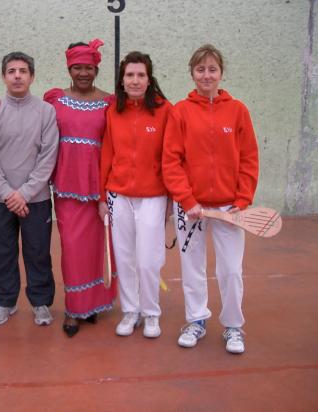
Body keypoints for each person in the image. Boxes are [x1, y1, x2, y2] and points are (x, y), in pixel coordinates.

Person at [162, 44, 259, 354]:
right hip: (190, 208)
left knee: (231, 269)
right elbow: (171, 161)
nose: (206, 75)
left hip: (230, 208)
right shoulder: (181, 111)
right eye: (200, 69)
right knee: (192, 268)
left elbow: (249, 158)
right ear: (192, 73)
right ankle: (196, 320)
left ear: (221, 73)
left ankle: (233, 326)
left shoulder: (238, 110)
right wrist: (187, 200)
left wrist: (242, 200)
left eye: (212, 69)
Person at [0, 51, 59, 326]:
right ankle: (5, 302)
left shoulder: (46, 112)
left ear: (32, 76)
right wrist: (7, 194)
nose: (17, 76)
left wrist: (23, 193)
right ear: (3, 76)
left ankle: (40, 303)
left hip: (34, 200)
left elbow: (48, 157)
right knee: (1, 254)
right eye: (11, 71)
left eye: (23, 71)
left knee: (38, 253)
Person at [43, 39, 117, 337]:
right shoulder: (55, 99)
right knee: (72, 249)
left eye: (88, 67)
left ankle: (93, 305)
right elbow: (31, 115)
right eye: (77, 67)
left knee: (97, 249)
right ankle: (74, 309)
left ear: (96, 68)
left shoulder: (110, 102)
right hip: (66, 187)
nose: (83, 72)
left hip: (98, 188)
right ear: (69, 69)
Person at [99, 51, 172, 339]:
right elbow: (107, 155)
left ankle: (151, 312)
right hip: (118, 196)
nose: (135, 80)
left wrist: (171, 199)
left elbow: (172, 157)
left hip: (153, 196)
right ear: (122, 79)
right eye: (130, 75)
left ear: (149, 78)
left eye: (141, 74)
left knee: (148, 259)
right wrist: (102, 197)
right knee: (125, 256)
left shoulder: (166, 111)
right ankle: (130, 310)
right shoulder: (113, 111)